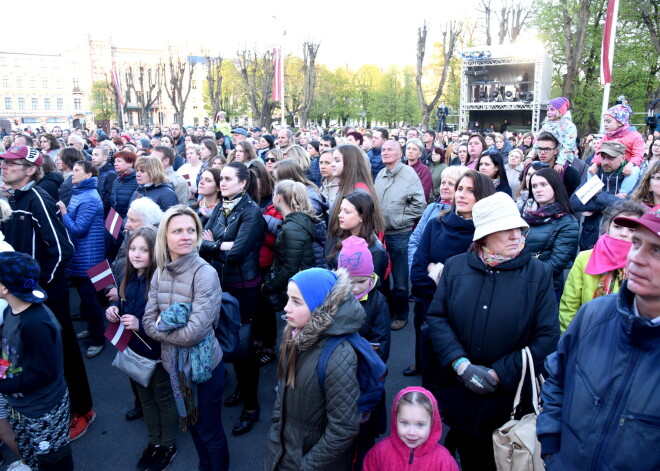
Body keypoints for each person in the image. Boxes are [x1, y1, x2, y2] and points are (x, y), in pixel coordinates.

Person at [425, 192, 559, 470]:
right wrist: (461, 365)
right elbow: (437, 317)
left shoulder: (539, 274)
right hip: (458, 392)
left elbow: (547, 337)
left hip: (507, 402)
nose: (516, 235)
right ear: (484, 236)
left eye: (518, 228)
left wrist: (500, 373)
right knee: (468, 455)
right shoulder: (455, 267)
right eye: (505, 229)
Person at [537, 207, 660, 471]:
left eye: (657, 250)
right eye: (637, 243)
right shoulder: (594, 314)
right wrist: (551, 451)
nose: (636, 257)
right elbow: (557, 379)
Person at [0, 145, 95, 441]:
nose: (5, 167)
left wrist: (39, 288)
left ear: (31, 169)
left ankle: (83, 410)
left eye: (13, 163)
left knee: (64, 349)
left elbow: (62, 248)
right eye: (4, 161)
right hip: (19, 295)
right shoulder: (11, 199)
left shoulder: (38, 198)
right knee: (30, 353)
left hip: (44, 294)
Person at [142, 205, 228, 471]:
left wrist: (162, 328)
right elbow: (147, 322)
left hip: (205, 371)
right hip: (175, 370)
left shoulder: (205, 274)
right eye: (177, 230)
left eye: (191, 230)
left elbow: (193, 333)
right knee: (192, 425)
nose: (186, 236)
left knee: (209, 430)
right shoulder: (160, 271)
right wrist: (163, 327)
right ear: (165, 236)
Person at [264, 268, 363, 471]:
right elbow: (282, 392)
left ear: (320, 307)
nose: (286, 308)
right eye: (288, 299)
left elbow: (343, 429)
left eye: (296, 302)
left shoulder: (338, 357)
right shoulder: (294, 334)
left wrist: (306, 466)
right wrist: (276, 431)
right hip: (284, 452)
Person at [200, 162, 265, 437]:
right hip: (221, 282)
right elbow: (200, 243)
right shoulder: (219, 207)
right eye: (221, 179)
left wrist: (213, 244)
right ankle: (241, 386)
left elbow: (236, 253)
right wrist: (218, 245)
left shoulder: (252, 213)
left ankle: (252, 407)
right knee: (226, 340)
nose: (222, 183)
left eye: (228, 179)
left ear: (243, 183)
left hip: (244, 286)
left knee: (243, 346)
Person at [407, 171, 495, 377]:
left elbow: (480, 286)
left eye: (470, 191)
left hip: (467, 322)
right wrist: (449, 279)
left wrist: (435, 270)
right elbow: (418, 276)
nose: (461, 195)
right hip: (430, 312)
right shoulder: (435, 225)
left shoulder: (486, 234)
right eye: (460, 189)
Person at [105, 226, 178, 471]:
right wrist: (115, 312)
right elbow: (128, 310)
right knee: (145, 399)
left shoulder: (161, 281)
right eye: (132, 248)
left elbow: (170, 322)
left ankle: (167, 444)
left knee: (163, 399)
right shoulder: (129, 277)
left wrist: (141, 325)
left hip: (156, 354)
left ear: (154, 252)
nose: (135, 254)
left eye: (143, 250)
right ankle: (154, 441)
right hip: (134, 350)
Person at [0, 251, 74, 470]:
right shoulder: (11, 312)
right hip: (19, 404)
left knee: (54, 461)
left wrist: (3, 385)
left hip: (43, 410)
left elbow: (44, 373)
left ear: (5, 288)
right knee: (31, 455)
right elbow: (9, 353)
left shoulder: (36, 323)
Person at [559, 201, 646, 333]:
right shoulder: (584, 258)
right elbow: (569, 306)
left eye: (631, 230)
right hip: (586, 334)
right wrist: (570, 341)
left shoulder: (645, 264)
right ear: (608, 227)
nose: (623, 233)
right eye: (617, 227)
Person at [375, 140, 427, 330]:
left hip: (400, 234)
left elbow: (420, 204)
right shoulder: (380, 174)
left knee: (400, 279)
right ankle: (387, 312)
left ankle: (401, 314)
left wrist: (399, 219)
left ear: (400, 154)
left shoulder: (408, 174)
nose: (385, 152)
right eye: (383, 149)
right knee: (382, 277)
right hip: (380, 235)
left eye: (390, 149)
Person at [57, 160, 107, 359]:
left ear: (88, 175)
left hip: (90, 257)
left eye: (77, 171)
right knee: (87, 300)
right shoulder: (81, 193)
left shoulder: (89, 198)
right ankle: (92, 329)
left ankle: (97, 339)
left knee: (91, 300)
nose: (72, 174)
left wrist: (63, 213)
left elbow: (78, 228)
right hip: (82, 255)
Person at [363, 387, 459, 471]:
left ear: (432, 424)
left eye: (420, 425)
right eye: (405, 423)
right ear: (395, 420)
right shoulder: (379, 452)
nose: (412, 433)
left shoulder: (444, 462)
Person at [522, 168, 579, 300]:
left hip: (546, 288)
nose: (538, 189)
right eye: (534, 186)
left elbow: (556, 263)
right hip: (521, 283)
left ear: (555, 186)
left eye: (543, 184)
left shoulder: (568, 222)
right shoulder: (526, 214)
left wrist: (522, 271)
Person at [327, 191, 388, 281]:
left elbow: (372, 287)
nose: (340, 215)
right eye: (341, 210)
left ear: (362, 217)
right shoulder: (342, 237)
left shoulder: (375, 250)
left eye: (347, 212)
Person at [589, 104, 644, 191]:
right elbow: (598, 153)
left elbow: (638, 155)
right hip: (608, 165)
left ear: (620, 122)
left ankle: (623, 192)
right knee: (590, 169)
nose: (605, 124)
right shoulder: (606, 137)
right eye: (604, 121)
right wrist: (595, 163)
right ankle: (591, 191)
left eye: (608, 121)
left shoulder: (635, 136)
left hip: (625, 166)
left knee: (635, 170)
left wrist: (630, 164)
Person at [529, 97, 578, 173]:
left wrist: (560, 162)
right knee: (529, 168)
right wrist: (531, 156)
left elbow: (567, 146)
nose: (548, 112)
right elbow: (538, 142)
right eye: (548, 110)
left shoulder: (569, 126)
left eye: (552, 110)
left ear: (560, 111)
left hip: (563, 157)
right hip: (546, 154)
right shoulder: (546, 125)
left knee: (559, 172)